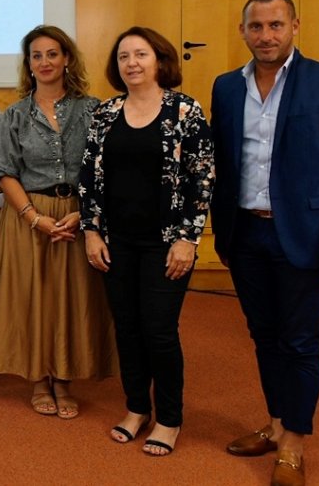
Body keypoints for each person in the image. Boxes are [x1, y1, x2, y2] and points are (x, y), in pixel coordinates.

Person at [211, 0, 319, 486]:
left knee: (299, 341)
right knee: (264, 335)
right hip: (245, 233)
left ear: (295, 25)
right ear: (243, 31)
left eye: (276, 25)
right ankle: (276, 424)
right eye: (256, 26)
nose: (266, 35)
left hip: (305, 236)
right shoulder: (227, 87)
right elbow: (225, 163)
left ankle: (293, 444)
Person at [79, 26, 214, 456]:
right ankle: (137, 408)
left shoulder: (184, 111)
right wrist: (92, 231)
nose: (132, 63)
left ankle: (169, 418)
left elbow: (202, 178)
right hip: (115, 241)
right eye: (123, 57)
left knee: (158, 330)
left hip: (166, 243)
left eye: (141, 54)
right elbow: (89, 179)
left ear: (160, 60)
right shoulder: (105, 112)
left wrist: (189, 239)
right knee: (129, 329)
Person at [0, 25, 116, 418]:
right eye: (36, 56)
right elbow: (4, 173)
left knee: (72, 300)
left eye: (52, 53)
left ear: (66, 58)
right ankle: (39, 379)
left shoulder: (94, 110)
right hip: (28, 218)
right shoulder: (15, 116)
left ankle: (65, 379)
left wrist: (83, 214)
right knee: (33, 299)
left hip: (78, 217)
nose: (45, 62)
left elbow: (104, 169)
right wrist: (34, 218)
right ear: (29, 65)